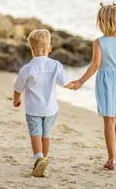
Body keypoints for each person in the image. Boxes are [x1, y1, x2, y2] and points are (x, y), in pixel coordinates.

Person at [73, 2, 116, 170]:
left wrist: (81, 81)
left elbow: (95, 65)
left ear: (102, 23)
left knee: (108, 120)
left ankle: (112, 159)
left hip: (106, 82)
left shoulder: (99, 42)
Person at [13, 29, 74, 177]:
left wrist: (16, 100)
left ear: (32, 49)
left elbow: (17, 88)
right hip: (51, 110)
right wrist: (76, 85)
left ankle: (38, 158)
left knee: (35, 134)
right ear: (50, 48)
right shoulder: (56, 65)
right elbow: (66, 83)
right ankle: (43, 160)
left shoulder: (27, 69)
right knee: (45, 135)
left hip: (34, 109)